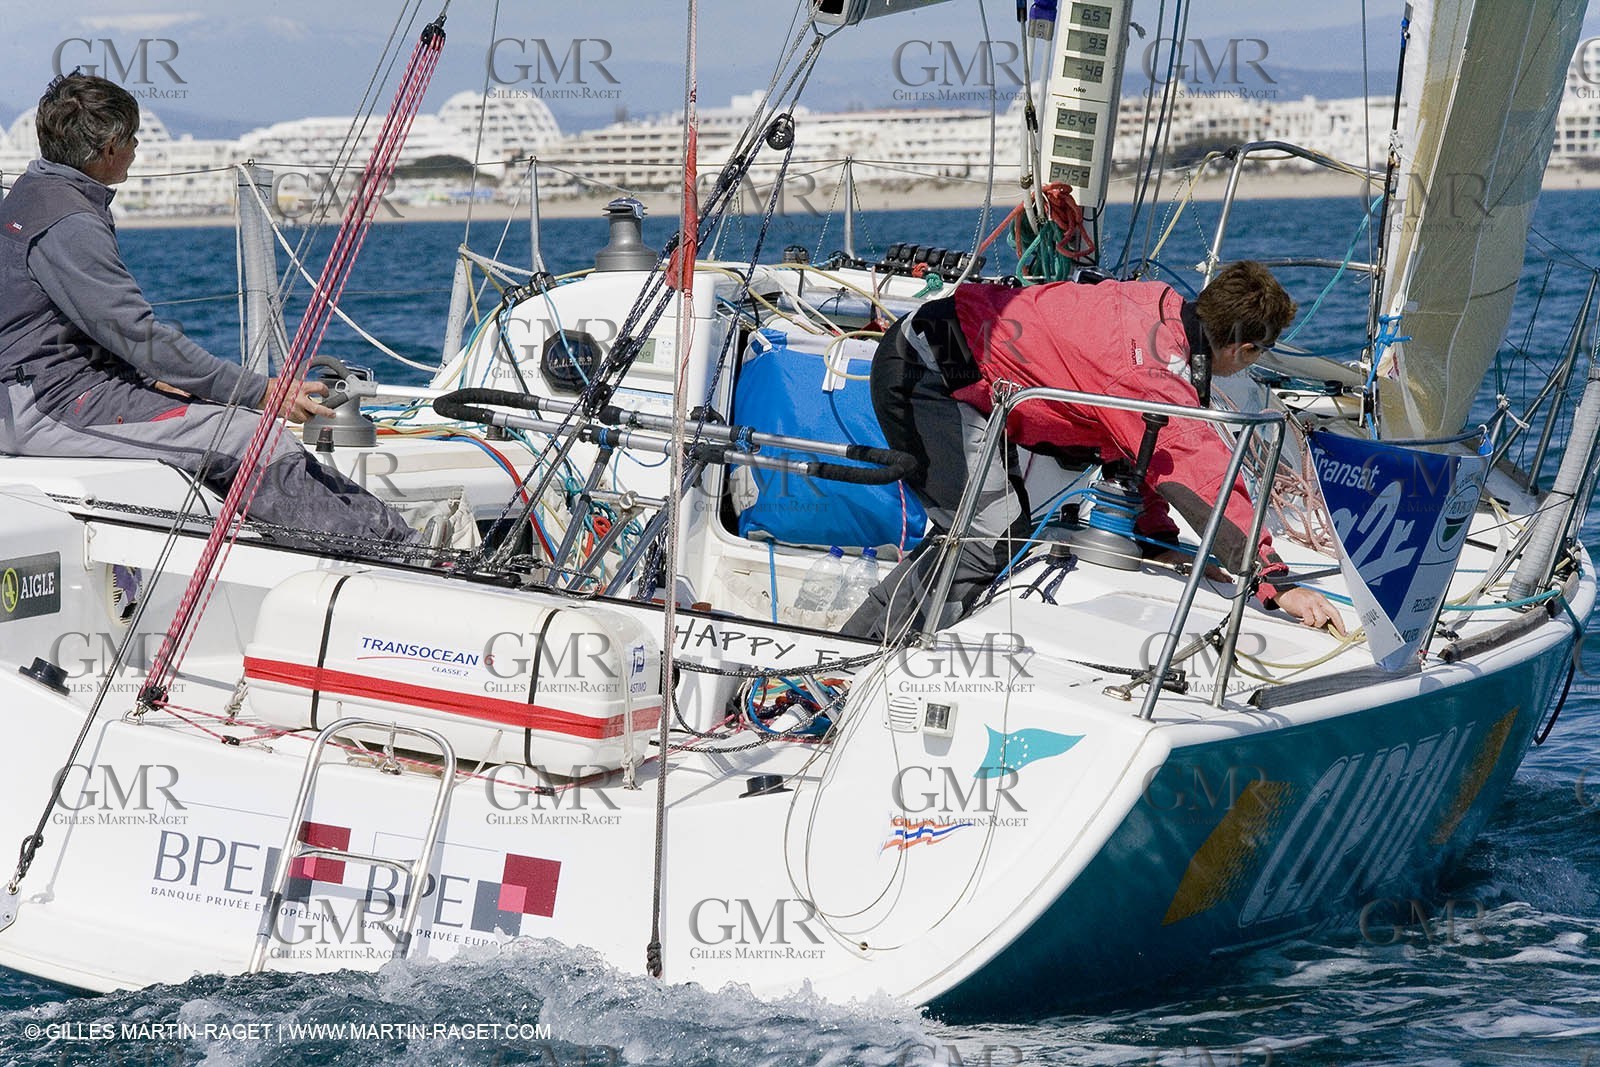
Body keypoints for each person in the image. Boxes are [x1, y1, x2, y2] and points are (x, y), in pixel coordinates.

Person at [0, 72, 414, 548]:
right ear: (110, 147)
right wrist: (261, 392)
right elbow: (139, 335)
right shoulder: (69, 221)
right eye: (132, 138)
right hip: (43, 406)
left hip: (49, 388)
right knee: (249, 437)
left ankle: (383, 534)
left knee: (236, 423)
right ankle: (392, 548)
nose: (137, 148)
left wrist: (157, 380)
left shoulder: (36, 194)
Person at [842, 261, 1347, 641]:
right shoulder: (1151, 373)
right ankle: (870, 655)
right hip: (928, 370)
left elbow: (1144, 449)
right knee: (986, 538)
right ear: (1245, 350)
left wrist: (1156, 539)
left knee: (983, 532)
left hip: (956, 364)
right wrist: (1272, 580)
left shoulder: (1165, 310)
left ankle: (873, 641)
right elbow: (1199, 470)